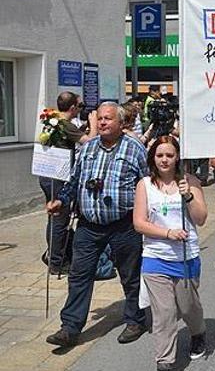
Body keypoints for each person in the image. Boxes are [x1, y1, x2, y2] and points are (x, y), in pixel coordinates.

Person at [45, 102, 149, 347]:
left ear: (121, 123)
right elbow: (74, 181)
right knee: (79, 276)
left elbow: (146, 185)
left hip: (124, 225)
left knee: (130, 275)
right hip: (88, 225)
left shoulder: (135, 148)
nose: (102, 123)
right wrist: (61, 200)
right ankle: (69, 328)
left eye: (108, 119)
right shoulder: (89, 147)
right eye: (100, 118)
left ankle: (135, 319)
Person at [133, 136, 207, 371]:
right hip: (155, 257)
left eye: (170, 155)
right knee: (163, 314)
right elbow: (139, 223)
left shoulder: (191, 182)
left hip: (186, 257)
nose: (164, 160)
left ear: (178, 158)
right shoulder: (145, 184)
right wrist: (167, 233)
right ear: (153, 158)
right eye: (159, 155)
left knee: (188, 307)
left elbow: (201, 219)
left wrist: (188, 197)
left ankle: (198, 332)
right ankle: (164, 365)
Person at [39, 92, 98, 275]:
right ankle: (56, 263)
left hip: (48, 174)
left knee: (54, 218)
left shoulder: (52, 120)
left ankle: (55, 255)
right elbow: (89, 143)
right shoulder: (65, 124)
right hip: (58, 176)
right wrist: (94, 125)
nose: (80, 110)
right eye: (79, 106)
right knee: (60, 219)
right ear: (72, 107)